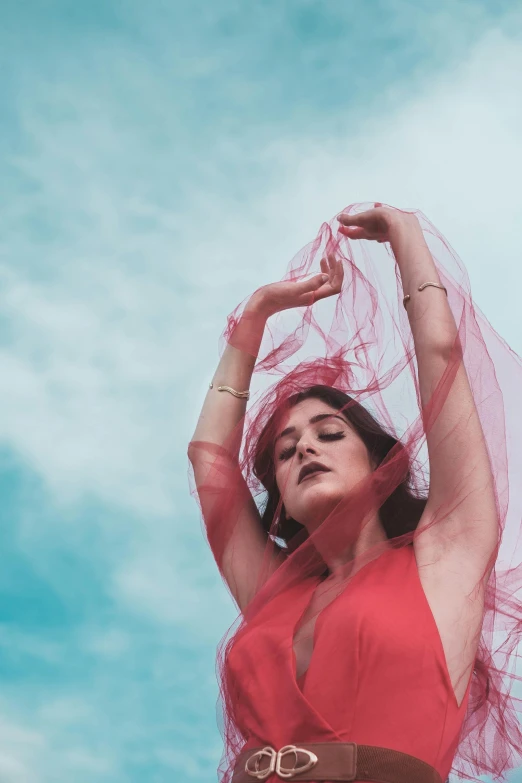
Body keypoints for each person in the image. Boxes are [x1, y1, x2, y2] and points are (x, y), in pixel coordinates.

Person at [188, 204, 522, 783]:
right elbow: (208, 456)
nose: (304, 451)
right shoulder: (272, 591)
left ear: (381, 462)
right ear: (281, 499)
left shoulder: (445, 557)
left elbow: (441, 358)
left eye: (328, 434)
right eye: (285, 452)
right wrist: (256, 316)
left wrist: (405, 235)